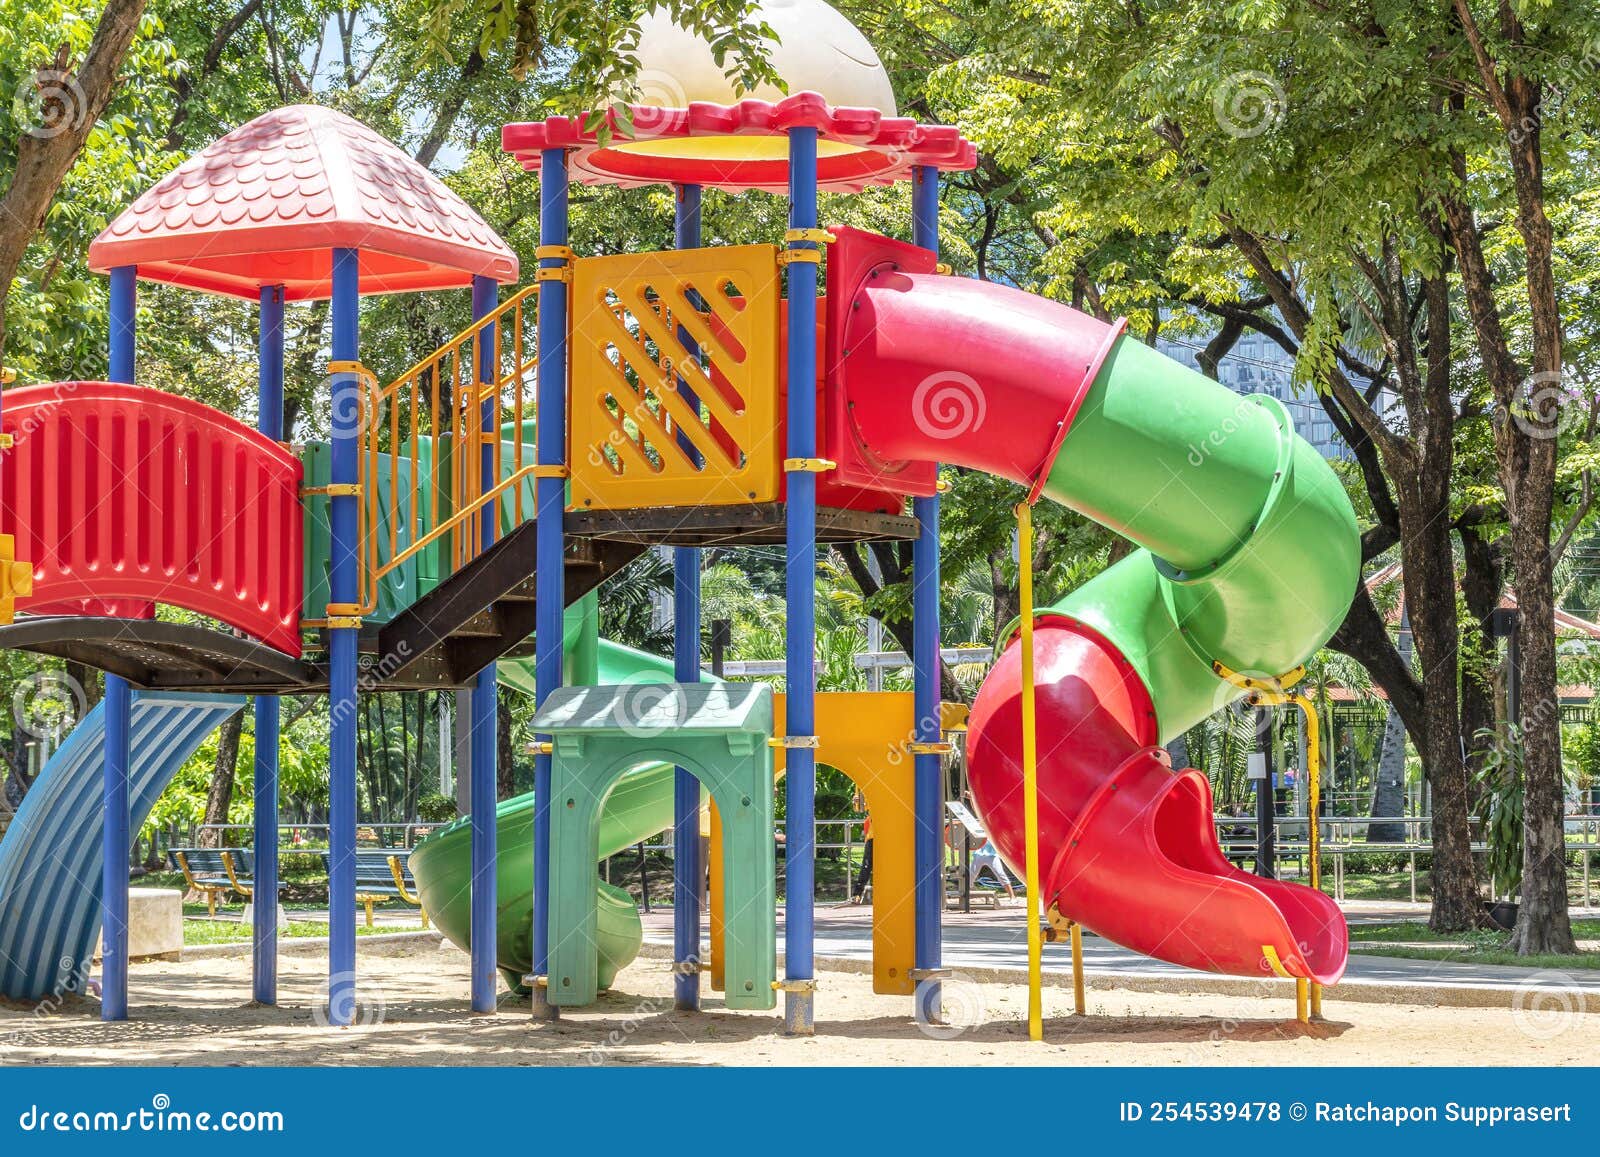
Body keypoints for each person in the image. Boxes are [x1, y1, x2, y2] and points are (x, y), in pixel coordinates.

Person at [969, 835, 1016, 899]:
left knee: (1001, 874)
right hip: (979, 854)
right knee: (971, 875)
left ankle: (1012, 896)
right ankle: (968, 893)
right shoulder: (977, 826)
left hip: (992, 855)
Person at [850, 798, 874, 904]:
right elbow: (859, 808)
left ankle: (857, 894)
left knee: (866, 866)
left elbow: (860, 807)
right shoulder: (872, 795)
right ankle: (857, 894)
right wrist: (856, 802)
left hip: (874, 836)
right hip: (873, 837)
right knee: (866, 866)